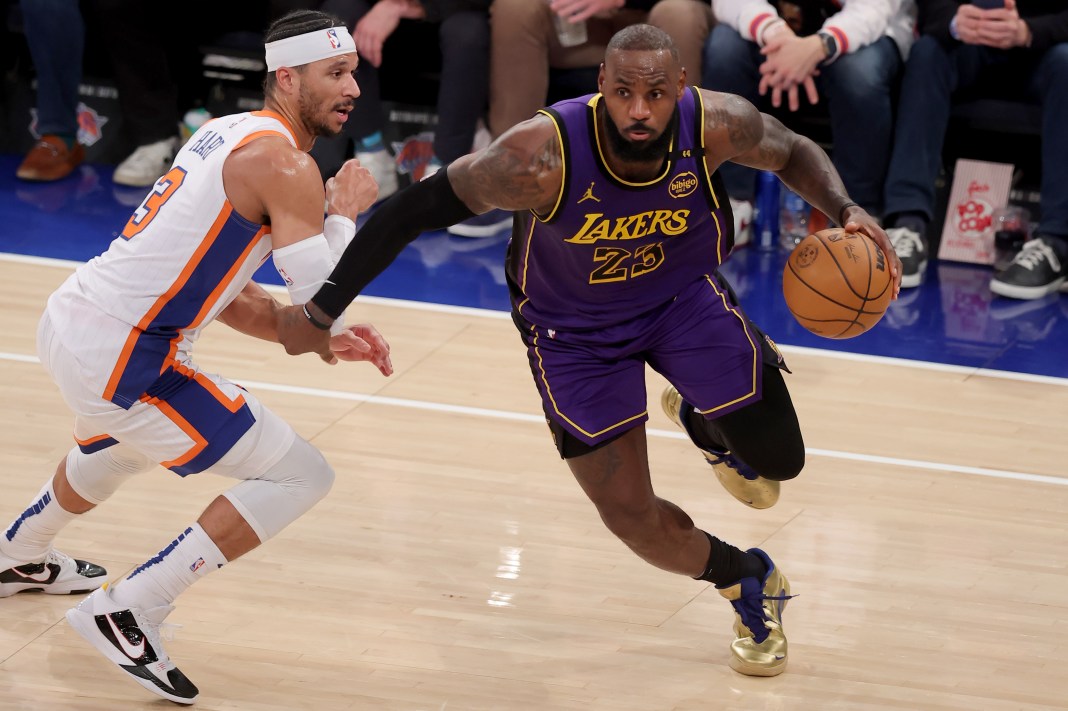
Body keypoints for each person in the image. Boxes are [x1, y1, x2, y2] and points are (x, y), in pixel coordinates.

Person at [276, 24, 902, 676]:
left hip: (679, 301)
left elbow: (791, 147)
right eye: (624, 92)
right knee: (630, 516)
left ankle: (702, 419)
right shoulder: (537, 157)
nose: (639, 110)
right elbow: (411, 211)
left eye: (655, 94)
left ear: (680, 88)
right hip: (572, 334)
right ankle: (746, 577)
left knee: (779, 462)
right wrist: (320, 312)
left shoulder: (718, 124)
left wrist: (844, 207)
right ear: (601, 85)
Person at [0, 10, 392, 705]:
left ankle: (17, 554)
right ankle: (130, 608)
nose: (353, 88)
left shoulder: (224, 131)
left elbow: (236, 295)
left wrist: (316, 335)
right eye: (336, 73)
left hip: (73, 317)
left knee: (119, 445)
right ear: (287, 77)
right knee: (301, 474)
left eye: (353, 72)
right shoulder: (289, 165)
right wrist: (345, 214)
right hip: (125, 356)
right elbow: (316, 302)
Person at [881, 0, 1068, 295]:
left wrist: (1029, 30)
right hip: (966, 47)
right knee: (928, 52)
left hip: (1043, 49)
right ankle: (908, 224)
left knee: (1066, 63)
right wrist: (955, 21)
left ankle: (1057, 244)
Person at [703, 0, 915, 240]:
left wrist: (818, 46)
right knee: (725, 48)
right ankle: (732, 201)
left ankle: (859, 210)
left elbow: (874, 9)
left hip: (860, 35)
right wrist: (775, 33)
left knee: (859, 73)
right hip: (775, 41)